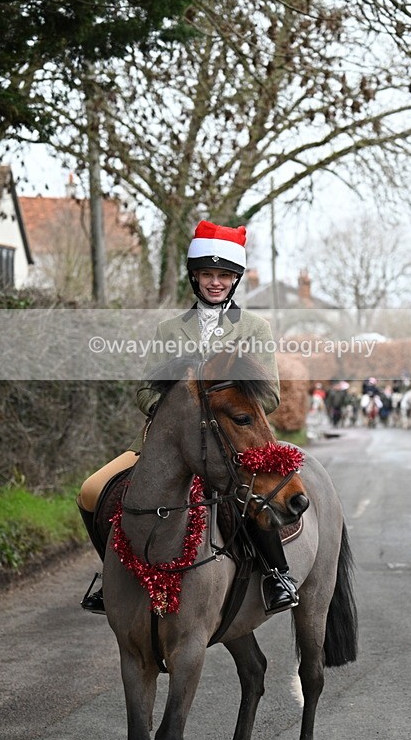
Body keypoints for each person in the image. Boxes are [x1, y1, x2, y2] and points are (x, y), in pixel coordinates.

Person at [77, 221, 299, 616]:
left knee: (250, 498)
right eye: (208, 275)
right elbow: (146, 391)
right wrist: (180, 398)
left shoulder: (255, 329)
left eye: (224, 276)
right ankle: (108, 575)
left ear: (235, 281)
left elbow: (272, 395)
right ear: (195, 277)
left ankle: (276, 574)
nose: (216, 283)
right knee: (92, 491)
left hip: (235, 442)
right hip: (165, 443)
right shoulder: (168, 329)